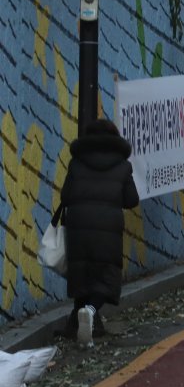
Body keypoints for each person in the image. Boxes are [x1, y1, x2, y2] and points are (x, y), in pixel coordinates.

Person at [59, 119, 139, 347]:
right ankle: (91, 311)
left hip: (79, 226)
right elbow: (131, 200)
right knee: (106, 276)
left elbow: (66, 196)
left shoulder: (77, 162)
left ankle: (82, 318)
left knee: (82, 273)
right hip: (108, 229)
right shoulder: (123, 165)